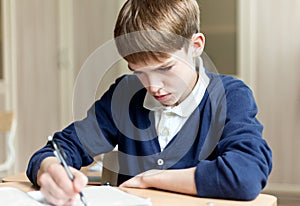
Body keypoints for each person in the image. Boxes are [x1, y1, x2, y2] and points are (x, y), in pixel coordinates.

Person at [26, 0, 272, 205]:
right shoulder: (124, 96)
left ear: (195, 46)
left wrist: (151, 178)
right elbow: (57, 149)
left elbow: (246, 175)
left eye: (165, 68)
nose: (153, 86)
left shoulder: (230, 97)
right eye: (139, 72)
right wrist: (51, 170)